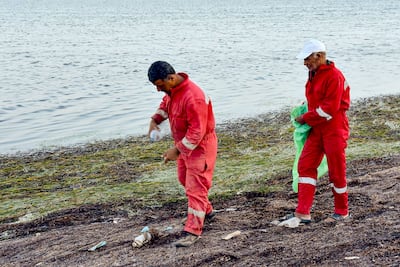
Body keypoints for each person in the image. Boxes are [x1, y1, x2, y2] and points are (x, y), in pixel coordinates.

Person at [279, 39, 350, 227]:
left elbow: (329, 108)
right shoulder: (314, 73)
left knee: (337, 170)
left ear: (319, 56)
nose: (304, 63)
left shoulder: (334, 76)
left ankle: (342, 211)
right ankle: (303, 212)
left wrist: (306, 118)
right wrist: (306, 109)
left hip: (334, 128)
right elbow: (317, 101)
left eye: (307, 59)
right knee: (305, 165)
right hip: (317, 129)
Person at [147, 61, 218, 247]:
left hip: (200, 147)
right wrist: (155, 120)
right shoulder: (172, 90)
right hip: (184, 145)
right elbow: (165, 104)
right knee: (183, 179)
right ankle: (206, 211)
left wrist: (176, 150)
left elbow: (197, 132)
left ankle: (193, 231)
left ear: (170, 78)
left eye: (159, 86)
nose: (158, 90)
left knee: (196, 187)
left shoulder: (194, 97)